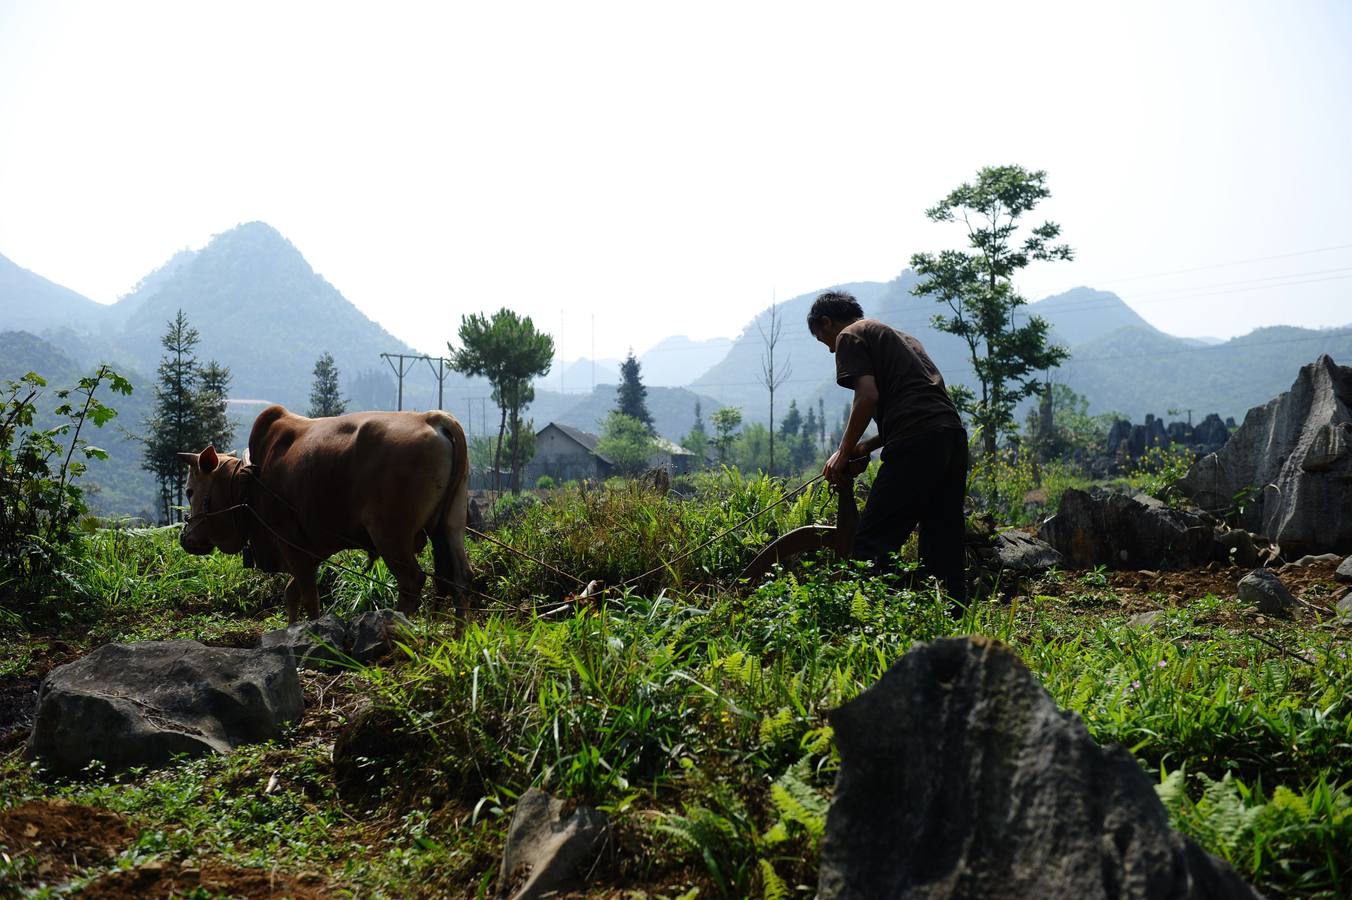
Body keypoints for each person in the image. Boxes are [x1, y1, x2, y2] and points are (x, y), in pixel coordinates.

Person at [809, 290, 969, 603]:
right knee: (943, 539)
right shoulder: (904, 339)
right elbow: (919, 407)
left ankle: (868, 623)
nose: (830, 349)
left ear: (827, 322)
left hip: (916, 442)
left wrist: (842, 452)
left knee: (871, 542)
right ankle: (951, 619)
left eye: (822, 339)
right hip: (950, 436)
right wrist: (864, 446)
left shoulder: (849, 335)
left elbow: (867, 396)